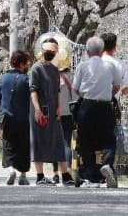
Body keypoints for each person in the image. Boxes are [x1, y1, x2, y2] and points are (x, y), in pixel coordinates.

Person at [73, 36, 121, 186]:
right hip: (105, 107)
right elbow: (117, 86)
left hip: (87, 107)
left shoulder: (82, 66)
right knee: (109, 140)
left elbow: (75, 88)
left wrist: (88, 95)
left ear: (87, 52)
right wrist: (107, 95)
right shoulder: (111, 66)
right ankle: (107, 164)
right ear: (102, 51)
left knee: (85, 140)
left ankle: (92, 176)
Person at [30, 37, 74, 186]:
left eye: (53, 52)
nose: (50, 54)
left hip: (54, 111)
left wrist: (59, 107)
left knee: (59, 142)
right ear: (42, 51)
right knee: (39, 141)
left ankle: (65, 175)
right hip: (40, 110)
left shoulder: (55, 70)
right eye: (47, 51)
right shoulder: (36, 68)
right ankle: (40, 175)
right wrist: (36, 109)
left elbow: (58, 91)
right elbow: (33, 90)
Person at [100, 32, 128, 184]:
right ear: (115, 47)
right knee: (110, 139)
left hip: (91, 103)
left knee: (90, 137)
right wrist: (120, 92)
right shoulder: (119, 64)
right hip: (110, 104)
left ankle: (90, 171)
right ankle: (107, 166)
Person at [0, 50, 32, 186]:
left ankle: (11, 170)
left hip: (7, 117)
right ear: (22, 64)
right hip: (23, 118)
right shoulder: (26, 80)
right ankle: (23, 175)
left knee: (9, 145)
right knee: (23, 146)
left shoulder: (3, 78)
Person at [57, 66, 76, 170]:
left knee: (56, 143)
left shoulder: (55, 79)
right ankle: (68, 168)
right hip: (70, 114)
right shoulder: (74, 77)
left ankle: (56, 172)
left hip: (56, 114)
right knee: (67, 142)